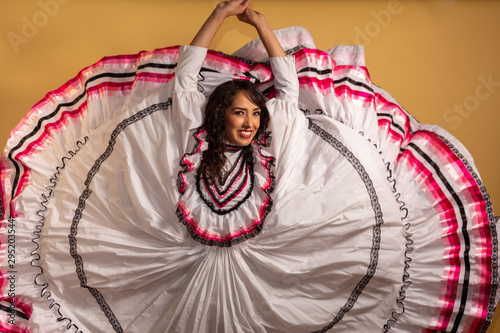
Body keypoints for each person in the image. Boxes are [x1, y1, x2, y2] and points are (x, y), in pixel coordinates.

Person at [0, 1, 497, 332]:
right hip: (180, 264)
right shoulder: (188, 128)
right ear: (218, 114)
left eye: (255, 113)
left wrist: (261, 25)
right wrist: (219, 13)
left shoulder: (270, 144)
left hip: (264, 265)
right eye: (240, 111)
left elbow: (287, 85)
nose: (250, 121)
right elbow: (188, 71)